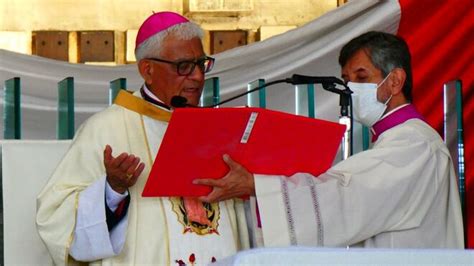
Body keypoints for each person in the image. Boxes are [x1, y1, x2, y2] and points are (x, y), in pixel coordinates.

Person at [195, 31, 464, 248]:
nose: (350, 89)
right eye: (347, 80)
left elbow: (349, 195)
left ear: (395, 81)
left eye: (362, 77)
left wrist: (257, 186)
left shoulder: (416, 145)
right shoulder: (396, 140)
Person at [36, 11, 250, 265]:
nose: (197, 76)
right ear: (147, 70)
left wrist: (252, 186)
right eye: (183, 66)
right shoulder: (105, 129)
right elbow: (55, 220)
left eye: (201, 64)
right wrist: (111, 190)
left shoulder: (219, 130)